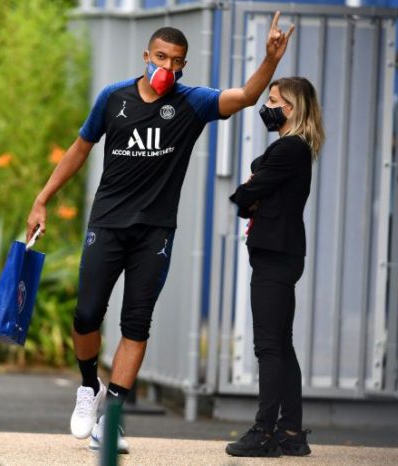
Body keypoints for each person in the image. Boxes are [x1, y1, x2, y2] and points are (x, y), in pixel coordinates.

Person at [25, 13, 294, 453]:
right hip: (107, 224)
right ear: (146, 56)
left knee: (136, 322)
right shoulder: (113, 99)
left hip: (155, 232)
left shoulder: (192, 104)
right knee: (87, 313)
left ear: (184, 66)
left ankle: (110, 421)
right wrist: (42, 199)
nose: (168, 67)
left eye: (177, 61)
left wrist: (269, 59)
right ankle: (88, 387)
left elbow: (246, 96)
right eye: (161, 57)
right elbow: (78, 150)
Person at [226, 77, 324, 457]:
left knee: (268, 345)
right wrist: (253, 191)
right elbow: (260, 188)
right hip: (281, 252)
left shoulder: (290, 149)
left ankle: (264, 432)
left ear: (292, 108)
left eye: (273, 100)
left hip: (275, 254)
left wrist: (246, 192)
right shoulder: (294, 149)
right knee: (281, 344)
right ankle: (291, 432)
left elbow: (250, 190)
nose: (266, 106)